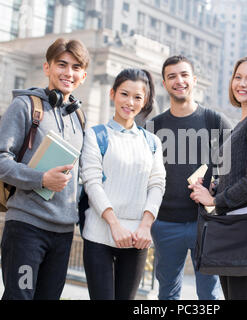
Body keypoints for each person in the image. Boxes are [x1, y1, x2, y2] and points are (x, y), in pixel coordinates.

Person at [0, 38, 89, 300]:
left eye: (76, 67)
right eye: (62, 65)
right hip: (26, 229)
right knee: (20, 297)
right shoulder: (25, 106)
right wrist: (41, 178)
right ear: (47, 67)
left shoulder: (79, 117)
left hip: (64, 232)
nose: (69, 73)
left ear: (83, 75)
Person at [189, 55, 247, 300]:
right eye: (238, 77)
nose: (242, 83)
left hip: (244, 228)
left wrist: (215, 200)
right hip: (230, 225)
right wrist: (213, 188)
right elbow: (237, 175)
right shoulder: (241, 124)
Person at [146, 55, 232, 300]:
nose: (179, 81)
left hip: (205, 224)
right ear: (164, 83)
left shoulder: (215, 122)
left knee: (210, 295)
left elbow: (232, 172)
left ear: (194, 80)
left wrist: (214, 191)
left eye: (184, 75)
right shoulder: (153, 127)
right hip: (164, 224)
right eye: (172, 76)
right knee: (167, 293)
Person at [80, 68, 166, 300]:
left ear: (145, 101)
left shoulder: (152, 142)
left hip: (138, 239)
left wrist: (146, 225)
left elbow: (157, 185)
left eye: (138, 97)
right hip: (99, 235)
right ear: (112, 94)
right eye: (124, 94)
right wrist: (114, 224)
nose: (130, 102)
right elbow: (92, 182)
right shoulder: (95, 135)